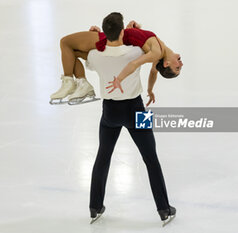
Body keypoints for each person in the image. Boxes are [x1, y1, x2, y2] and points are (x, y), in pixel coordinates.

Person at [85, 12, 176, 226]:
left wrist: (97, 37)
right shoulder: (134, 51)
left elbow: (92, 54)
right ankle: (164, 209)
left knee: (103, 157)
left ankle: (94, 207)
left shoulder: (94, 55)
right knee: (151, 159)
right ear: (123, 31)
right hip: (136, 108)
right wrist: (137, 29)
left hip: (109, 111)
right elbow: (149, 48)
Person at [49, 12, 183, 105]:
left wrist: (119, 79)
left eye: (177, 67)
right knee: (74, 54)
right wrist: (150, 90)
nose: (181, 64)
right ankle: (82, 83)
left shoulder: (156, 53)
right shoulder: (160, 51)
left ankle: (69, 82)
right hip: (116, 36)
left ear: (166, 64)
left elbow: (134, 64)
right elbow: (154, 72)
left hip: (111, 38)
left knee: (65, 43)